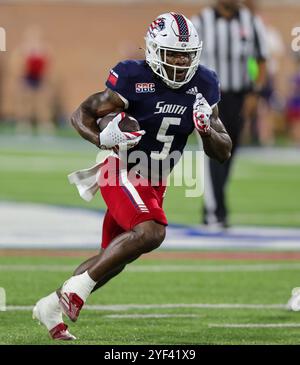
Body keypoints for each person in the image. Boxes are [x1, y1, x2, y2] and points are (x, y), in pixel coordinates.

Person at [32, 12, 232, 340]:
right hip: (121, 170)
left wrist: (207, 130)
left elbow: (223, 151)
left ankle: (51, 305)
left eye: (186, 55)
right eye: (172, 54)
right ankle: (74, 292)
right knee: (151, 232)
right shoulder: (131, 77)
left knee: (112, 261)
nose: (180, 63)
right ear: (154, 51)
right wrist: (101, 138)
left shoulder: (205, 84)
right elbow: (80, 113)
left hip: (155, 180)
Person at [191, 0, 268, 228]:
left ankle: (214, 207)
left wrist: (255, 93)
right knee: (212, 151)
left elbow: (261, 59)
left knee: (229, 152)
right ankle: (215, 213)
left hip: (238, 96)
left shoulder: (251, 22)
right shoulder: (200, 22)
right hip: (209, 97)